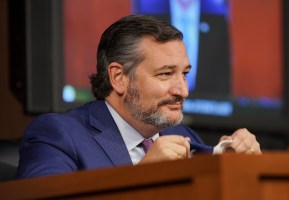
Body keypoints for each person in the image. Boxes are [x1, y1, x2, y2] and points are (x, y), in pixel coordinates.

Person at [16, 15, 261, 179]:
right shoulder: (58, 136)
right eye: (165, 74)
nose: (182, 91)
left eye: (184, 74)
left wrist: (234, 165)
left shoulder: (185, 136)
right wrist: (142, 178)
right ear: (119, 77)